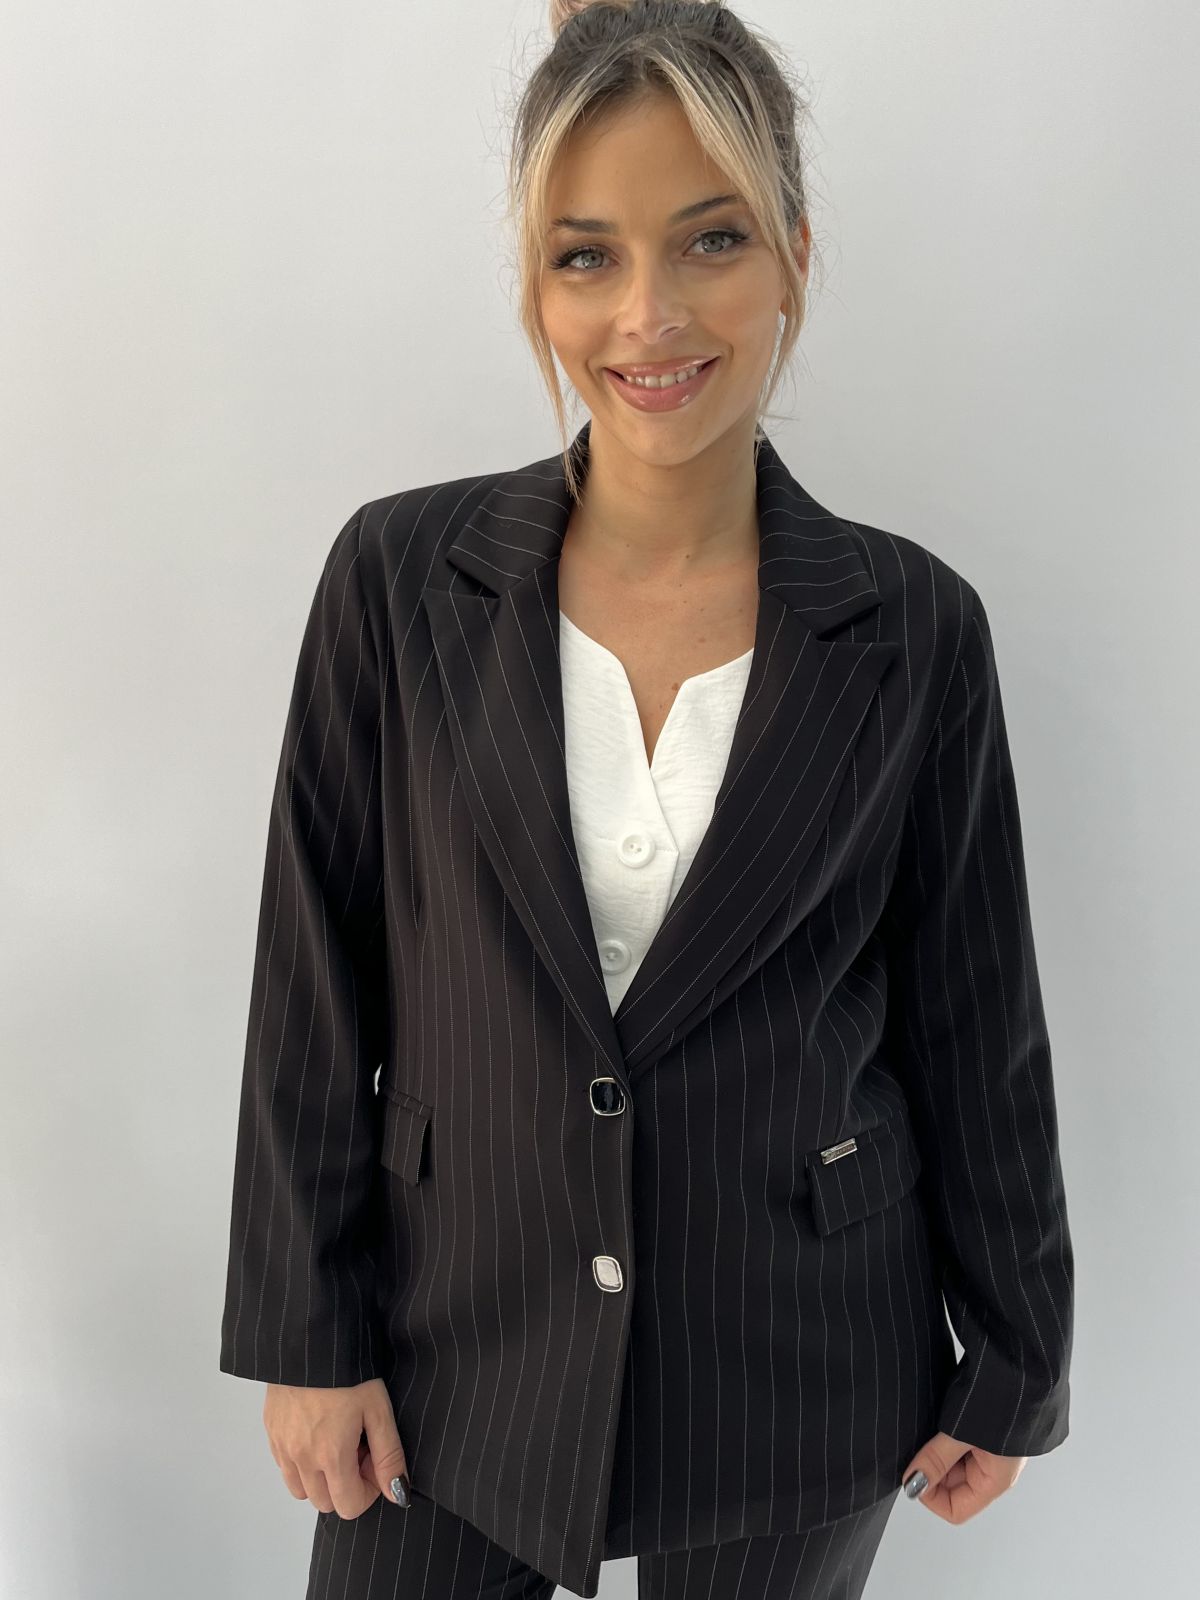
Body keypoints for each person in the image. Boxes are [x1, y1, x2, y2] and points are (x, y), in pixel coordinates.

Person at [219, 3, 1075, 1597]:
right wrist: (305, 1330)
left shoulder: (915, 628)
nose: (648, 314)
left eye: (711, 239)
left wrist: (1019, 1351)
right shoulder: (399, 581)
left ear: (794, 255)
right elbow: (312, 984)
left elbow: (977, 1018)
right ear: (534, 281)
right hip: (446, 1348)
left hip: (801, 1362)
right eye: (586, 255)